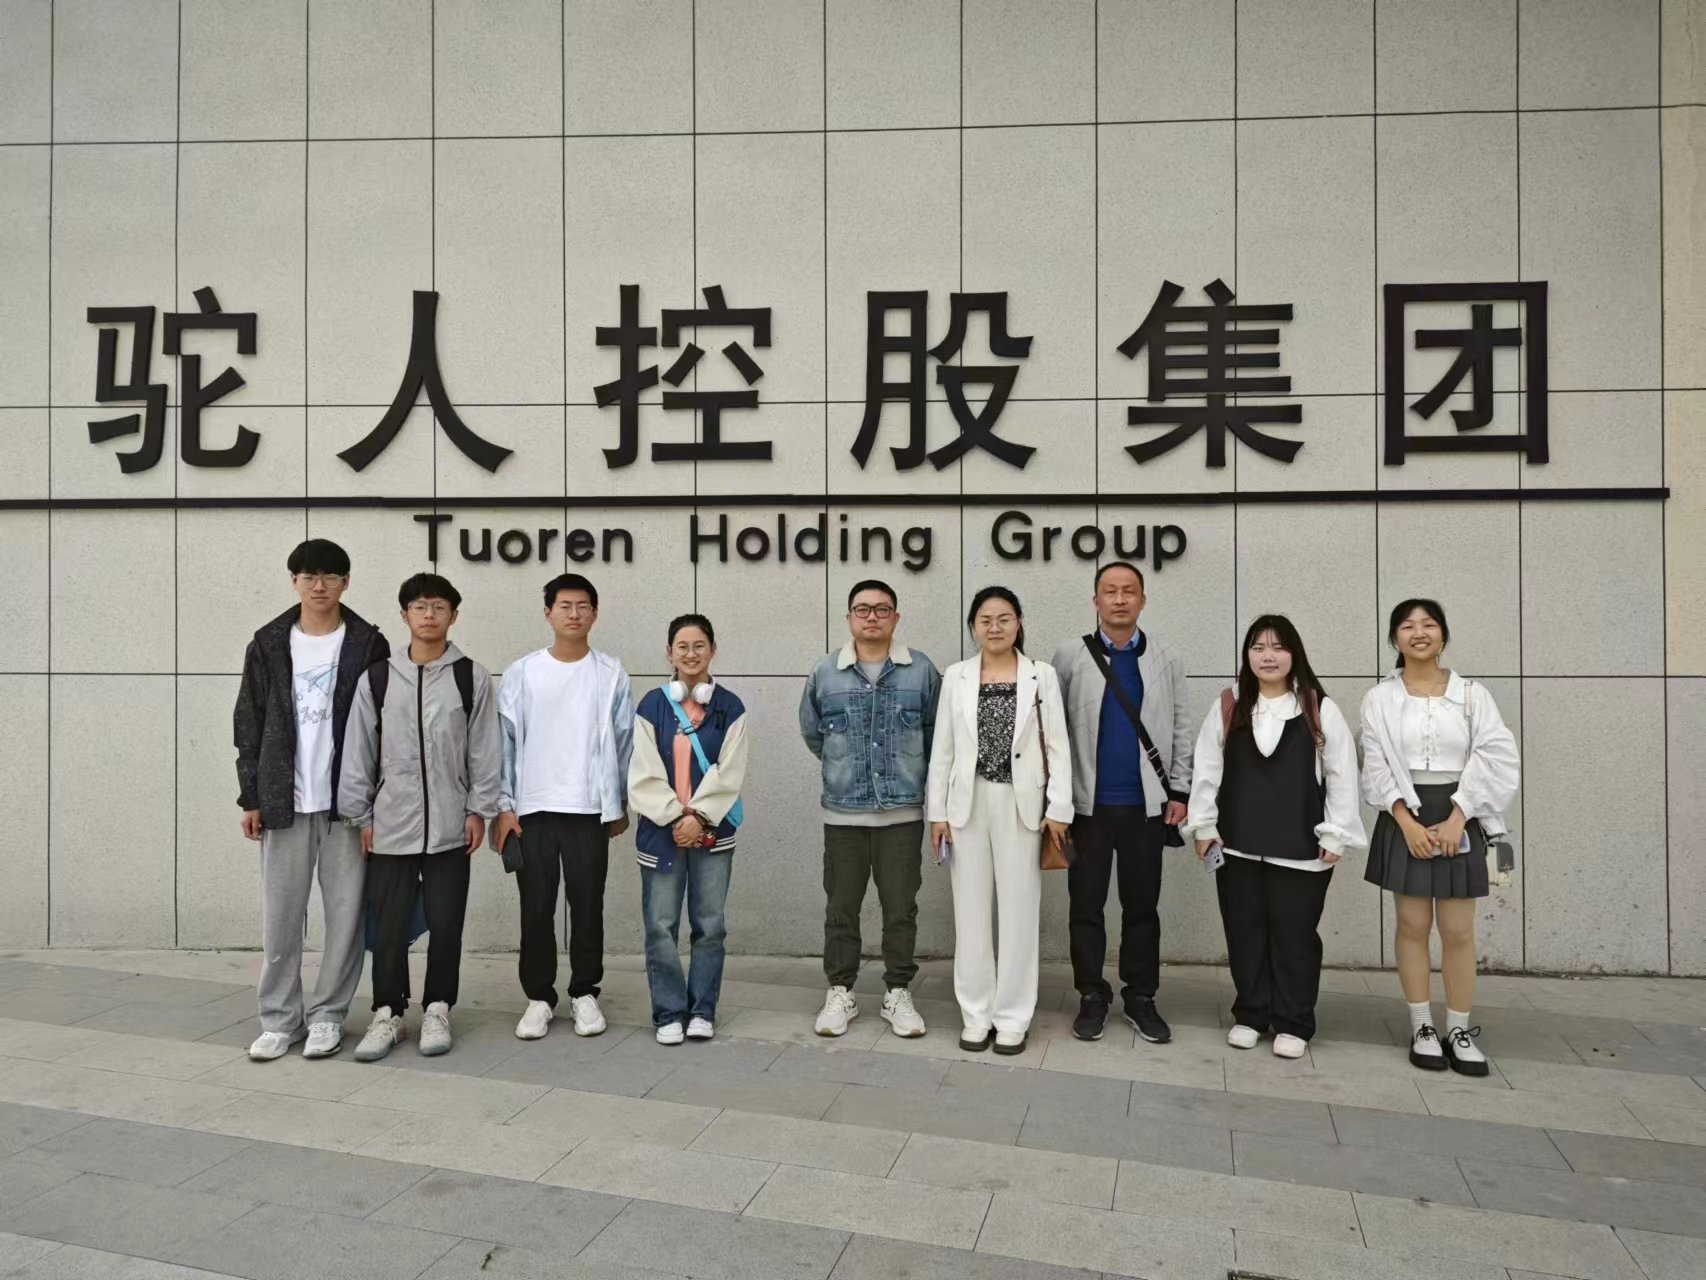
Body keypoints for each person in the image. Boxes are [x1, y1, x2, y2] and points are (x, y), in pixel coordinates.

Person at [233, 539, 390, 1062]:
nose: (319, 585)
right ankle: (280, 1020)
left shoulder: (368, 642)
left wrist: (374, 804)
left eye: (330, 576)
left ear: (346, 582)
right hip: (285, 801)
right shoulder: (269, 642)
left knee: (345, 918)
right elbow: (248, 721)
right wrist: (252, 795)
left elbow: (384, 727)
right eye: (308, 576)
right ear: (294, 582)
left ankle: (328, 1016)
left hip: (347, 805)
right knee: (281, 917)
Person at [1184, 615, 1365, 1059]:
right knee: (1244, 932)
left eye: (1278, 647)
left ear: (1294, 653)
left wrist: (1336, 834)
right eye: (1258, 647)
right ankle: (1251, 1014)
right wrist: (1203, 826)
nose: (1268, 656)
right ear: (1247, 655)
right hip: (1237, 845)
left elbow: (1342, 774)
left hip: (1301, 848)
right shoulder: (1229, 705)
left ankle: (1293, 1020)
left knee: (1295, 936)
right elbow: (1206, 769)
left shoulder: (1318, 707)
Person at [337, 573, 501, 1062]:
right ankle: (388, 1013)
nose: (429, 615)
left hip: (452, 824)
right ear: (404, 615)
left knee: (447, 923)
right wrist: (361, 815)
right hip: (390, 824)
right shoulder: (379, 678)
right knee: (388, 926)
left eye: (439, 607)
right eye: (419, 607)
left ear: (454, 615)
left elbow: (484, 750)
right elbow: (358, 751)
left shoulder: (471, 677)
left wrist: (479, 809)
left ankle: (437, 1008)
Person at [1361, 599, 1519, 1076]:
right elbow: (1375, 763)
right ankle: (1422, 1027)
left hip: (1459, 814)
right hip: (1404, 815)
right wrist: (1406, 823)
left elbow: (1495, 755)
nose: (1419, 632)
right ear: (1394, 638)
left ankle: (1459, 1029)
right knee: (1412, 925)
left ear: (1443, 635)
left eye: (1429, 624)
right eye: (1407, 626)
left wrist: (1458, 816)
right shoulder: (1379, 698)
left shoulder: (1472, 694)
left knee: (1457, 930)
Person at [926, 587, 1073, 1055]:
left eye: (1004, 618)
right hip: (967, 803)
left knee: (1019, 911)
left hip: (1021, 803)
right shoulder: (956, 676)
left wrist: (1059, 808)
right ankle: (976, 1013)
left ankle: (1012, 1017)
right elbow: (943, 748)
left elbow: (1058, 746)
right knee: (969, 912)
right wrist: (937, 812)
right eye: (985, 619)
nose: (995, 627)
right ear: (973, 626)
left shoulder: (1040, 675)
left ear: (1019, 623)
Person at [1051, 561, 1193, 1044]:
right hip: (1086, 809)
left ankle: (1140, 997)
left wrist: (1179, 790)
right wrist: (1056, 800)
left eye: (1128, 591)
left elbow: (1181, 726)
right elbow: (1052, 731)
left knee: (1142, 908)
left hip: (1145, 809)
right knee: (1085, 907)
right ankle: (1092, 994)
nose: (1119, 599)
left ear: (1142, 600)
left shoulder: (1165, 657)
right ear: (1095, 601)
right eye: (1109, 591)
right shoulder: (1069, 655)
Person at [492, 574, 634, 1041]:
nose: (574, 614)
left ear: (595, 613)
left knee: (588, 903)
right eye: (565, 606)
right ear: (548, 612)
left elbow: (624, 741)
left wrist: (617, 803)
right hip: (532, 808)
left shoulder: (610, 672)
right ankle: (539, 997)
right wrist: (504, 806)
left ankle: (585, 992)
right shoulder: (522, 672)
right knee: (535, 907)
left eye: (583, 606)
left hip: (588, 808)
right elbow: (505, 743)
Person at [799, 580, 942, 1039]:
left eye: (882, 609)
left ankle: (897, 992)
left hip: (902, 816)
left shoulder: (921, 671)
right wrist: (846, 770)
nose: (872, 617)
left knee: (900, 909)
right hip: (843, 815)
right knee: (841, 908)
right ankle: (840, 991)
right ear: (849, 618)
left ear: (896, 617)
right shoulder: (826, 672)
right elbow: (814, 734)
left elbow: (936, 734)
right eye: (862, 609)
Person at [628, 614, 749, 1045]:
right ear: (669, 653)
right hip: (661, 833)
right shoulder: (651, 706)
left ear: (712, 650)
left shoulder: (731, 707)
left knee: (709, 925)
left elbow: (730, 772)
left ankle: (701, 1010)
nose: (691, 653)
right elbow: (642, 772)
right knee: (660, 926)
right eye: (682, 646)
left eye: (699, 645)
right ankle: (667, 1012)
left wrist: (697, 817)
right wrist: (675, 817)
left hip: (711, 834)